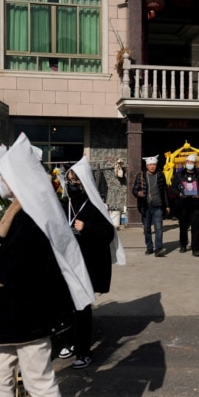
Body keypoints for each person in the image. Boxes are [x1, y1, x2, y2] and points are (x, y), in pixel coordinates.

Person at [0, 134, 95, 397]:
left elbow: (22, 271)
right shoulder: (22, 210)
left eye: (5, 176)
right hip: (13, 314)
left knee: (38, 382)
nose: (1, 181)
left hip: (28, 313)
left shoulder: (30, 219)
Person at [57, 157, 126, 369]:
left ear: (85, 182)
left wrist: (86, 227)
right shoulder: (64, 203)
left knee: (82, 309)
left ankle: (83, 351)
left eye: (76, 181)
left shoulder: (95, 206)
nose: (72, 184)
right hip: (66, 263)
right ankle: (68, 342)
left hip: (87, 265)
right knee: (65, 307)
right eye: (69, 180)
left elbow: (107, 234)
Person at [171, 154, 199, 256]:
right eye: (188, 162)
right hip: (183, 204)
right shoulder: (179, 175)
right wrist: (179, 194)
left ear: (195, 164)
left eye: (191, 162)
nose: (189, 164)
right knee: (183, 227)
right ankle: (183, 244)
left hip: (196, 205)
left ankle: (195, 248)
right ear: (185, 163)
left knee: (195, 227)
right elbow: (173, 188)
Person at [133, 155, 170, 257]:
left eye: (154, 164)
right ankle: (149, 247)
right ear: (147, 166)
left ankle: (158, 249)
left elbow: (164, 191)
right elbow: (134, 190)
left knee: (159, 228)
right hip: (145, 206)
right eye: (150, 165)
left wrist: (167, 205)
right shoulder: (140, 176)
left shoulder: (160, 175)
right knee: (147, 229)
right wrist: (138, 193)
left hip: (158, 205)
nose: (152, 166)